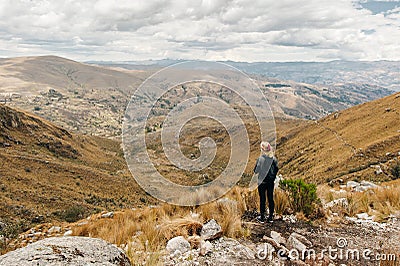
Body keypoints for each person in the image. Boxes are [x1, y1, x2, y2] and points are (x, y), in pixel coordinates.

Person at [253, 141, 279, 223]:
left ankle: (262, 217)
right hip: (270, 182)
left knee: (262, 199)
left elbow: (256, 171)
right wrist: (273, 177)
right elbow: (276, 169)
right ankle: (271, 217)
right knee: (270, 198)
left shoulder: (260, 159)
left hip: (262, 182)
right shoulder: (274, 159)